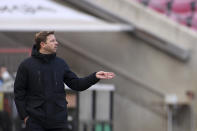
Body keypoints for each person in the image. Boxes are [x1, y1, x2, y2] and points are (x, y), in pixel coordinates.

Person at [14, 31, 115, 131]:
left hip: (58, 121)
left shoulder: (60, 64)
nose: (56, 43)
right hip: (35, 122)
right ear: (43, 44)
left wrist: (94, 77)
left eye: (56, 40)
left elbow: (77, 84)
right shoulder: (26, 65)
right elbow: (19, 93)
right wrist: (25, 116)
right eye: (52, 41)